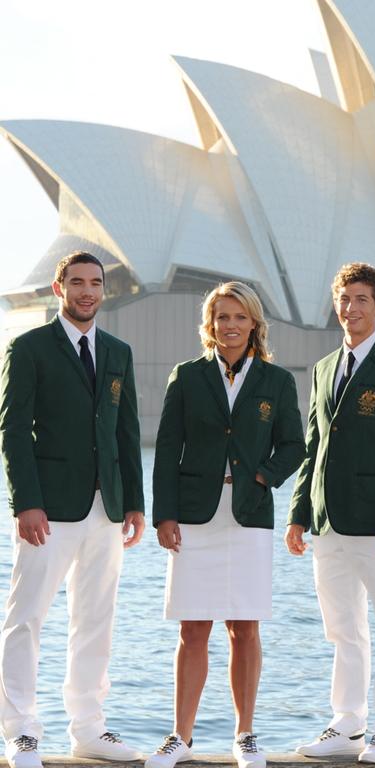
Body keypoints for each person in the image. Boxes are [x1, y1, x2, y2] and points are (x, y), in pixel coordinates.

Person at [145, 282, 304, 768]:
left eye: (239, 317)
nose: (230, 325)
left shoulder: (277, 381)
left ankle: (245, 735)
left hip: (250, 515)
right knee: (193, 628)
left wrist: (263, 476)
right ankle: (181, 737)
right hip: (194, 515)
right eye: (221, 317)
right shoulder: (187, 377)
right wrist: (164, 515)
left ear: (254, 323)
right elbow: (167, 448)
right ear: (210, 325)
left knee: (244, 627)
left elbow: (294, 447)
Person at [0, 251, 145, 767]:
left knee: (96, 619)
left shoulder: (118, 352)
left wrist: (134, 503)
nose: (87, 291)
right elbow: (13, 431)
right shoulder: (28, 348)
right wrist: (27, 503)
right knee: (27, 618)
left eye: (96, 283)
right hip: (49, 509)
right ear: (59, 288)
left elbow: (125, 431)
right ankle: (20, 731)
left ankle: (88, 728)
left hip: (106, 508)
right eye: (77, 282)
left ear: (104, 290)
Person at [287, 262, 375, 765]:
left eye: (362, 300)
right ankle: (347, 723)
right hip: (328, 523)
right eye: (345, 299)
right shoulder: (323, 368)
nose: (352, 309)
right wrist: (299, 513)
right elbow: (313, 446)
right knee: (342, 628)